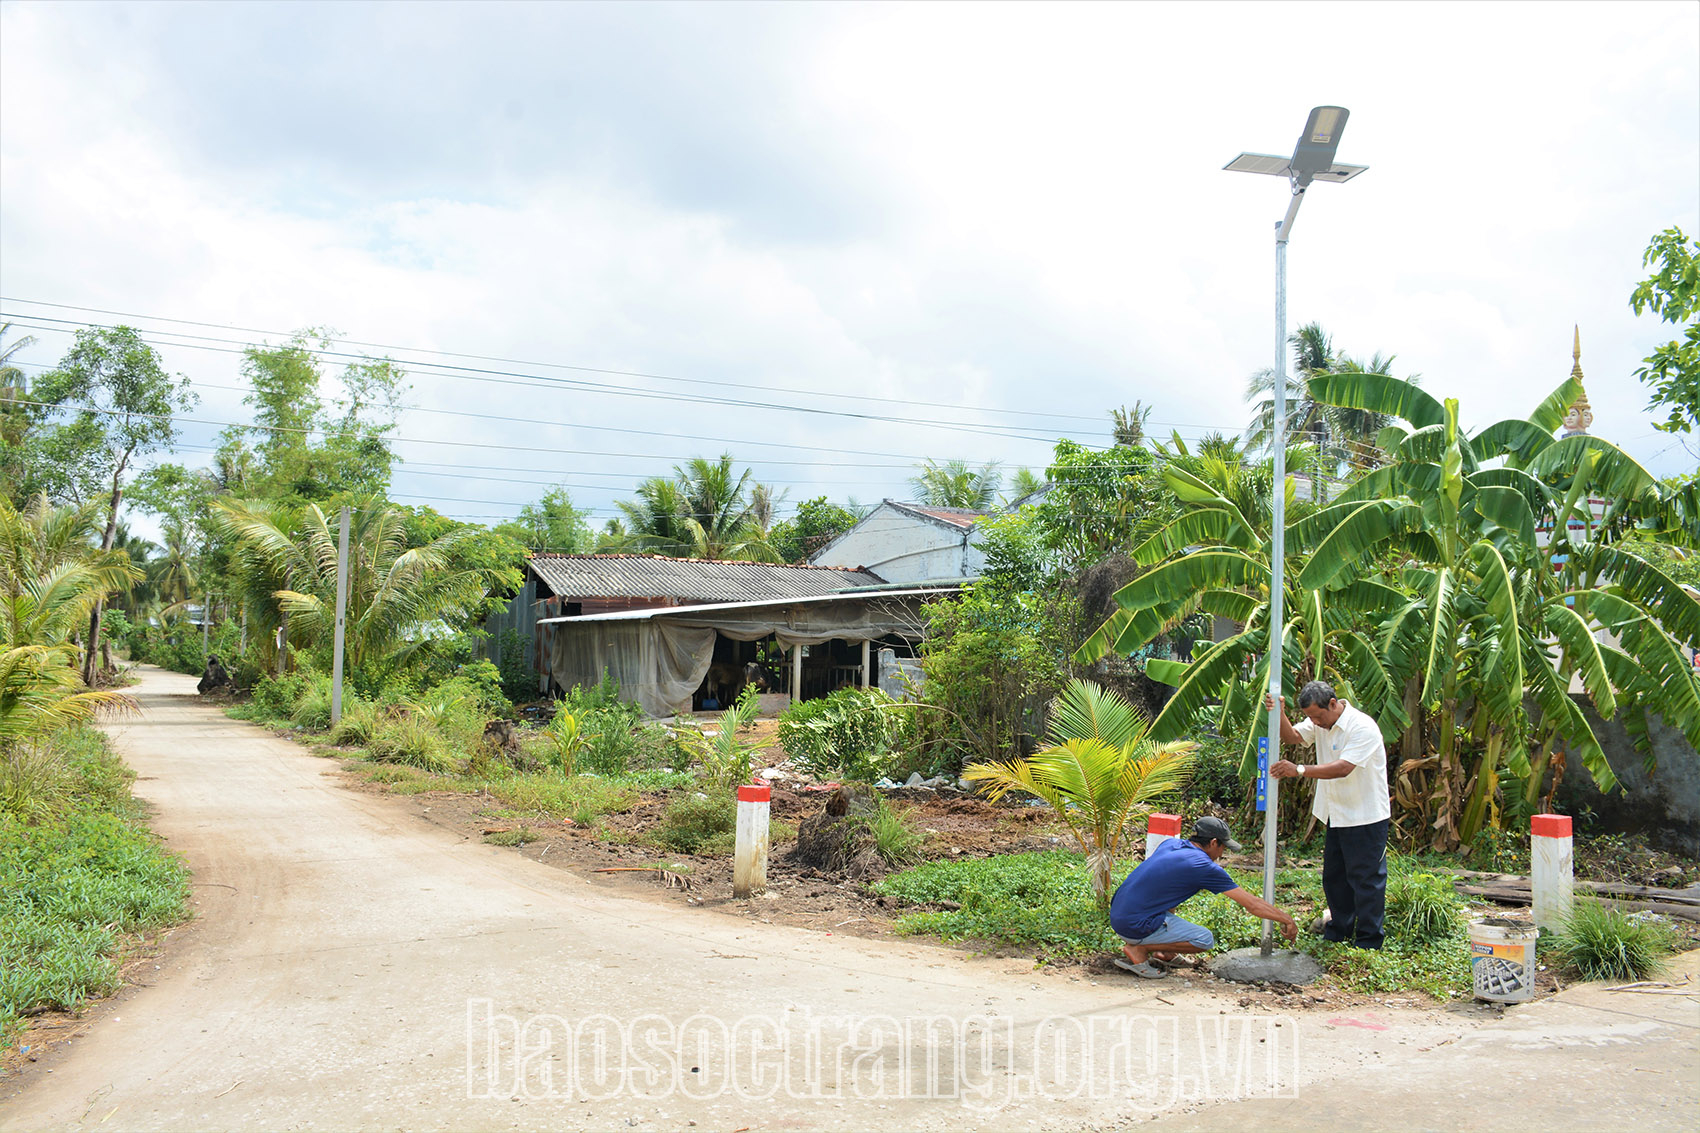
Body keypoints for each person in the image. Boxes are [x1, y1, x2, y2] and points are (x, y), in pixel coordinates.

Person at [1266, 680, 1391, 949]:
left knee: (1366, 879)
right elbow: (1292, 737)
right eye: (1310, 717)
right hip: (1336, 814)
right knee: (1335, 877)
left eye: (1318, 716)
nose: (1315, 722)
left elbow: (1343, 767)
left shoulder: (1362, 727)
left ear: (1333, 704)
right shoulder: (1320, 722)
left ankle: (1369, 940)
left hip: (1365, 815)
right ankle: (1338, 929)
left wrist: (1298, 770)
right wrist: (1279, 712)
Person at [1108, 816, 1298, 978]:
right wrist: (1286, 919)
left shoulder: (1171, 844)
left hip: (1119, 915)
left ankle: (1164, 952)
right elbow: (1252, 904)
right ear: (1214, 842)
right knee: (1204, 939)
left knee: (1168, 897)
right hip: (1133, 925)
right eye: (1223, 847)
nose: (1222, 854)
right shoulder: (1203, 866)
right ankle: (1138, 949)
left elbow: (1165, 890)